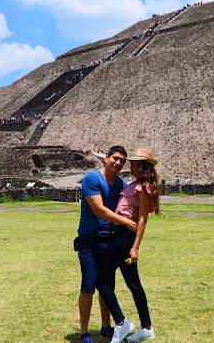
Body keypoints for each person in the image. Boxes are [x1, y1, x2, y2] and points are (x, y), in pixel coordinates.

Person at [96, 148, 160, 342]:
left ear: (147, 167)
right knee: (134, 285)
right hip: (121, 235)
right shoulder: (134, 184)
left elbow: (142, 220)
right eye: (133, 164)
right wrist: (104, 159)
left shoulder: (143, 187)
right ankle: (147, 328)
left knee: (99, 278)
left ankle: (121, 322)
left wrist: (135, 247)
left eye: (139, 165)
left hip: (125, 238)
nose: (135, 168)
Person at [77, 146, 137, 343]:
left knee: (107, 286)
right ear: (108, 158)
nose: (118, 163)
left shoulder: (120, 183)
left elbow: (134, 189)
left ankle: (106, 327)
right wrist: (126, 222)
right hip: (89, 242)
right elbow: (99, 210)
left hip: (109, 241)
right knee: (88, 286)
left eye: (122, 161)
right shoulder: (92, 179)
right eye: (115, 159)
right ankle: (84, 332)